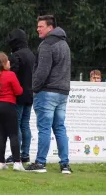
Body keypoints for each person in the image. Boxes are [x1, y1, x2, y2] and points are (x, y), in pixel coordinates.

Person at [26, 15, 72, 174]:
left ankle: (40, 163)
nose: (38, 29)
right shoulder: (64, 43)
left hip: (47, 92)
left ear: (50, 28)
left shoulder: (47, 44)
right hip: (63, 92)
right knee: (60, 128)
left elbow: (42, 71)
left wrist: (34, 88)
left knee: (44, 128)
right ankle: (65, 165)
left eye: (41, 26)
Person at [0, 52, 25, 171]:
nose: (9, 62)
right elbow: (19, 91)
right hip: (8, 106)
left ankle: (1, 162)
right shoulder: (11, 75)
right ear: (3, 64)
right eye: (7, 60)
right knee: (13, 135)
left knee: (2, 135)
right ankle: (17, 163)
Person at [5, 29, 35, 164]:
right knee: (25, 125)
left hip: (17, 95)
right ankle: (25, 154)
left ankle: (16, 155)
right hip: (30, 94)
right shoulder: (32, 54)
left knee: (15, 125)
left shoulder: (16, 56)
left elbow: (12, 76)